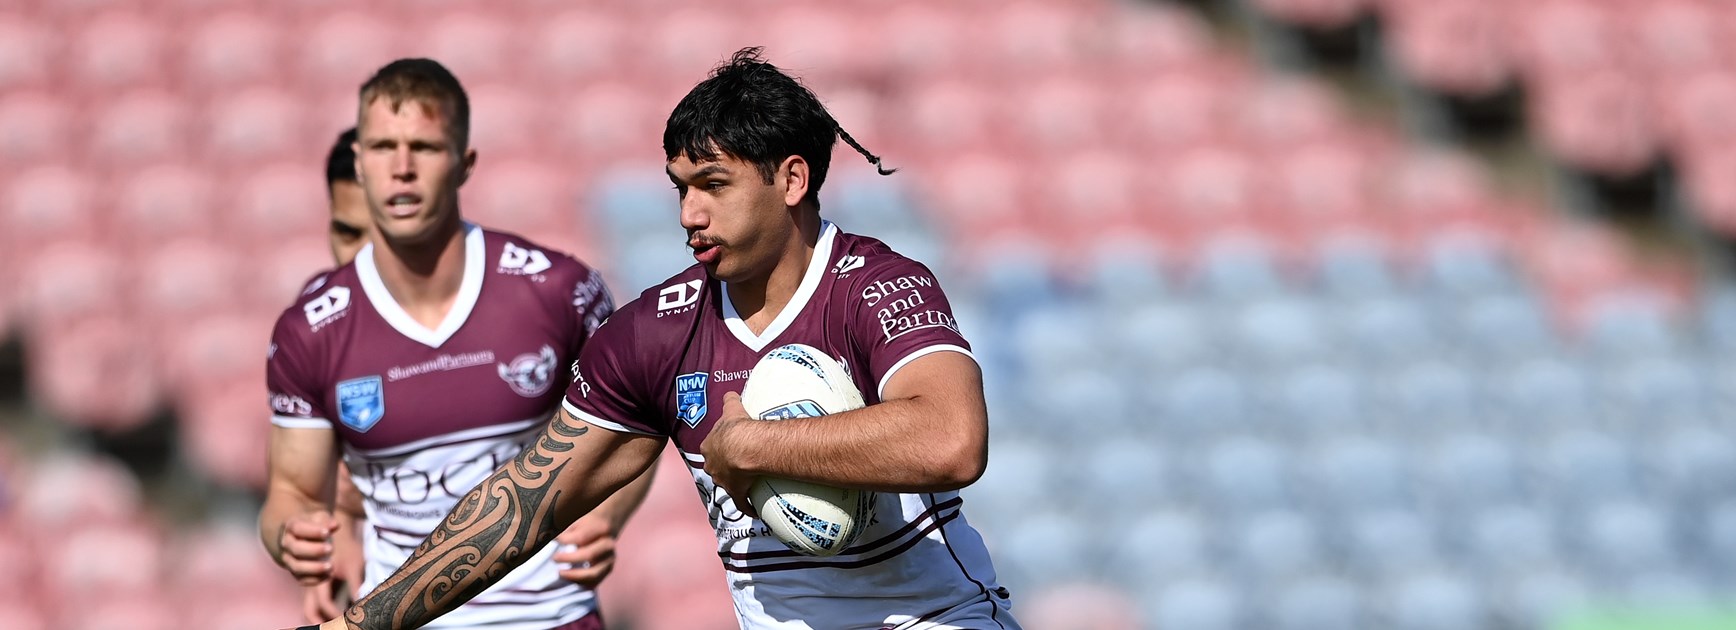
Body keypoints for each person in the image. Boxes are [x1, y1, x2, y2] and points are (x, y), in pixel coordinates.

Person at [295, 47, 1021, 630]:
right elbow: (522, 503)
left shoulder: (876, 284)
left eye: (714, 184)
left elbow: (952, 440)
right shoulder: (653, 334)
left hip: (938, 619)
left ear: (792, 179)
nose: (690, 215)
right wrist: (362, 625)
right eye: (681, 188)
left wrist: (748, 447)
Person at [262, 58, 654, 630]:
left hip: (550, 617)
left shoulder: (557, 290)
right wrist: (291, 534)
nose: (401, 168)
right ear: (360, 167)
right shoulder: (310, 328)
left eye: (422, 147)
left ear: (464, 162)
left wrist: (608, 514)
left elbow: (637, 423)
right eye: (381, 147)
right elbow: (291, 491)